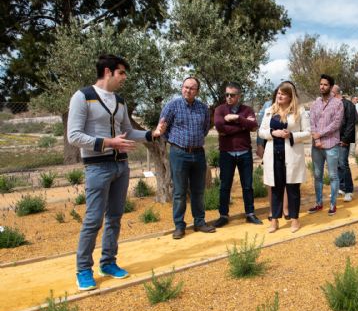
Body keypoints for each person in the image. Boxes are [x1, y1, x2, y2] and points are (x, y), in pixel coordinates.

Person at [68, 54, 161, 291]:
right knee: (93, 219)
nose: (124, 77)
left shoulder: (120, 101)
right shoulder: (83, 97)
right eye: (121, 72)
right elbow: (74, 136)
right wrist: (109, 142)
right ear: (108, 72)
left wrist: (152, 134)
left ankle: (108, 262)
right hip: (97, 166)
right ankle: (83, 269)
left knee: (115, 218)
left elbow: (127, 132)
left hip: (121, 166)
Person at [155, 77, 216, 240]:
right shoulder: (172, 106)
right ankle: (179, 226)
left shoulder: (203, 108)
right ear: (182, 88)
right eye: (185, 87)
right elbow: (163, 127)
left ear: (197, 91)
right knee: (179, 192)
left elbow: (204, 129)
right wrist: (176, 142)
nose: (188, 90)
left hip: (198, 153)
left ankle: (200, 222)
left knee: (198, 190)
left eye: (192, 88)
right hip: (179, 153)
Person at [259, 81, 310, 233]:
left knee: (293, 188)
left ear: (290, 97)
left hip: (291, 155)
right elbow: (261, 131)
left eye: (283, 94)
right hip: (273, 155)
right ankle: (274, 221)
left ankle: (295, 220)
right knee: (275, 188)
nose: (279, 96)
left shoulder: (299, 111)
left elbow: (308, 133)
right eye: (278, 93)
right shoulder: (269, 111)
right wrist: (272, 133)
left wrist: (291, 135)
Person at [212, 82, 263, 227]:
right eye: (227, 94)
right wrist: (243, 126)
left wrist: (236, 119)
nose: (228, 97)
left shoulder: (247, 109)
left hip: (244, 152)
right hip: (226, 153)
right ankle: (223, 215)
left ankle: (250, 214)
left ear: (239, 96)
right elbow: (219, 125)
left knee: (247, 185)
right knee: (224, 185)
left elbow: (254, 126)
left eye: (232, 95)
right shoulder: (220, 109)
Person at [308, 74, 344, 215]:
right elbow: (312, 122)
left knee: (333, 175)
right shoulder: (315, 104)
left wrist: (320, 134)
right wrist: (316, 139)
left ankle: (333, 205)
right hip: (316, 146)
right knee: (317, 175)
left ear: (331, 87)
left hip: (331, 145)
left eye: (325, 85)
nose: (322, 87)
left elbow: (336, 124)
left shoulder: (337, 103)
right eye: (321, 84)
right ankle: (318, 203)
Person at [333, 84, 357, 202]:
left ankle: (349, 190)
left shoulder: (349, 105)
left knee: (343, 163)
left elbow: (350, 124)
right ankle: (341, 188)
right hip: (334, 140)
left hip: (343, 140)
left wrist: (345, 140)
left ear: (335, 93)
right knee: (337, 165)